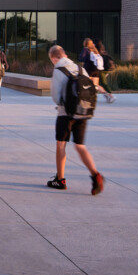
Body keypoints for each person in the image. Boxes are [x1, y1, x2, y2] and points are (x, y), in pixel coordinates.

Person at [47, 45, 103, 194]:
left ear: (54, 58)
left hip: (66, 114)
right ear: (64, 54)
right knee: (80, 146)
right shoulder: (80, 69)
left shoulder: (58, 70)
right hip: (83, 112)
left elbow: (55, 97)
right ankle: (95, 175)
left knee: (61, 145)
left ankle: (60, 179)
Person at [82, 37, 115, 104]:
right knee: (96, 85)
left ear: (85, 44)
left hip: (88, 69)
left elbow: (82, 58)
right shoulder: (95, 49)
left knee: (86, 83)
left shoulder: (86, 49)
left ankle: (89, 97)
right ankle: (108, 95)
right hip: (96, 70)